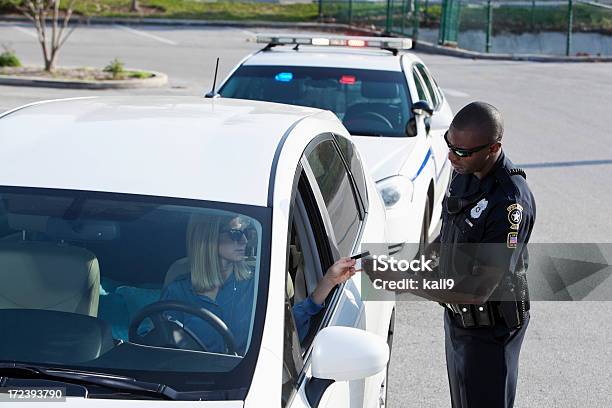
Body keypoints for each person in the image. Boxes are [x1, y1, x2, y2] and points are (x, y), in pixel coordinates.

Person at [366, 102, 535, 408]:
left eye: (463, 151)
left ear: (493, 148)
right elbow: (446, 235)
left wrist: (402, 282)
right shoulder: (464, 173)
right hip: (459, 320)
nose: (451, 157)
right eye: (450, 145)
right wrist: (414, 266)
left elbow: (478, 290)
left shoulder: (509, 202)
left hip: (490, 333)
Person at [161, 213, 356, 355]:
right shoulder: (177, 292)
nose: (244, 240)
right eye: (235, 234)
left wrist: (328, 282)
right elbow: (160, 348)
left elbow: (287, 330)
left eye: (246, 232)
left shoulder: (256, 283)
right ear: (208, 238)